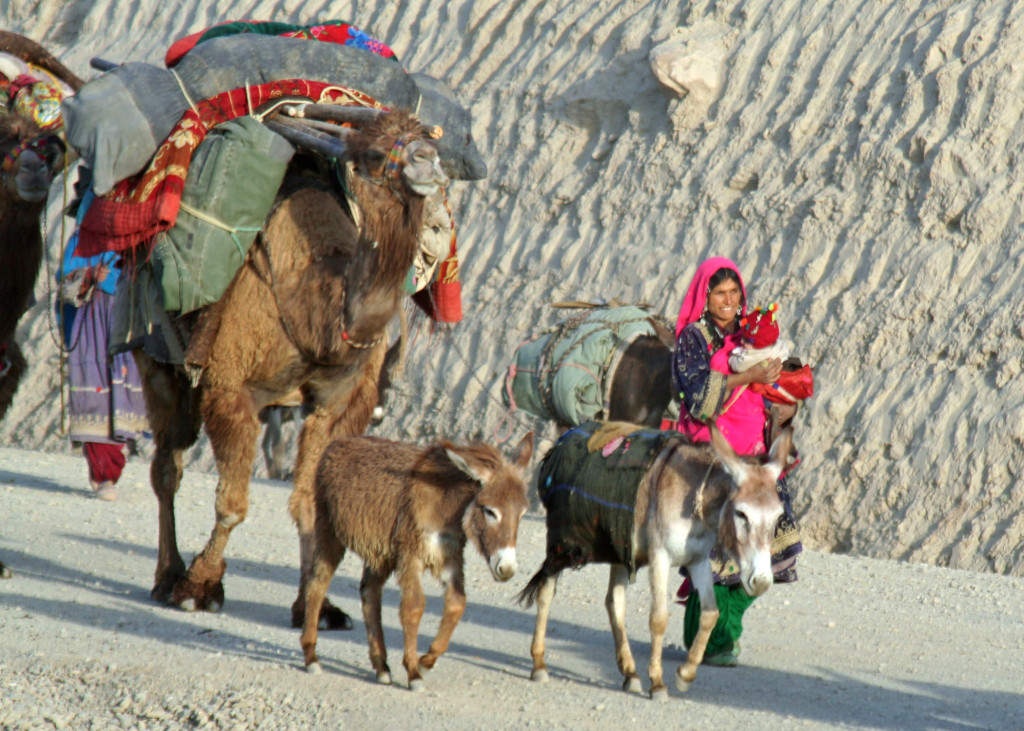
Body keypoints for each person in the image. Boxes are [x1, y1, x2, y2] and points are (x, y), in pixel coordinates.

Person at [672, 256, 802, 666]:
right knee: (712, 557)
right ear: (704, 296)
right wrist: (749, 377)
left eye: (735, 293)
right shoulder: (693, 338)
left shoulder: (752, 333)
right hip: (711, 456)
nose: (729, 301)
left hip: (757, 458)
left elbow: (778, 391)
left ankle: (725, 632)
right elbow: (694, 395)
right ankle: (710, 641)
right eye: (719, 293)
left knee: (770, 551)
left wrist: (782, 385)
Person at [58, 186, 148, 501]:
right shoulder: (79, 243)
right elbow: (66, 282)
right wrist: (91, 274)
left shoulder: (134, 242)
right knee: (97, 392)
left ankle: (111, 469)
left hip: (125, 322)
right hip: (91, 325)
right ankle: (102, 474)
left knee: (122, 393)